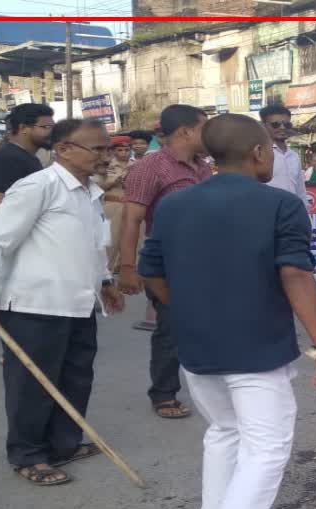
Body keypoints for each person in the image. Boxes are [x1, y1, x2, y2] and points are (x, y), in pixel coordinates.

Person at [138, 113, 316, 509]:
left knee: (225, 432)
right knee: (268, 448)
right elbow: (295, 272)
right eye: (269, 148)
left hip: (197, 345)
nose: (272, 155)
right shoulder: (280, 203)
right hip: (255, 347)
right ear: (256, 152)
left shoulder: (178, 204)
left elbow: (153, 273)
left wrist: (188, 315)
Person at [0, 119, 125, 486]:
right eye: (97, 149)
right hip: (34, 305)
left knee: (75, 377)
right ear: (64, 149)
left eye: (106, 148)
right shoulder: (39, 186)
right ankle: (28, 454)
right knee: (32, 384)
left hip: (78, 303)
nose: (105, 156)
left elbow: (93, 243)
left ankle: (62, 444)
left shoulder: (89, 192)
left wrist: (104, 281)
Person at [118, 104, 212, 420]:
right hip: (168, 264)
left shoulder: (204, 167)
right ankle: (163, 392)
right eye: (204, 127)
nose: (209, 134)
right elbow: (132, 219)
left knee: (205, 325)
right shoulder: (151, 167)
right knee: (171, 328)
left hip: (204, 262)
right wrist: (128, 268)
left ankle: (210, 386)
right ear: (185, 131)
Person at [0, 103, 55, 216]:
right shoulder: (8, 159)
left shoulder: (28, 157)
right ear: (23, 128)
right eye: (46, 127)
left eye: (53, 127)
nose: (52, 132)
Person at [96, 135, 133, 271]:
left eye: (126, 149)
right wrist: (112, 182)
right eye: (120, 150)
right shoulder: (106, 165)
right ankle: (106, 270)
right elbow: (97, 186)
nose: (124, 153)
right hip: (112, 206)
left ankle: (126, 267)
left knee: (131, 238)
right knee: (111, 239)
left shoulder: (135, 164)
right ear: (113, 151)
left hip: (131, 205)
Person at [259, 104, 308, 206]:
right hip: (268, 213)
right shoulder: (259, 154)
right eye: (275, 124)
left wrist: (304, 214)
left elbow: (300, 191)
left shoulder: (294, 156)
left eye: (287, 124)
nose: (282, 128)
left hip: (292, 214)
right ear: (264, 125)